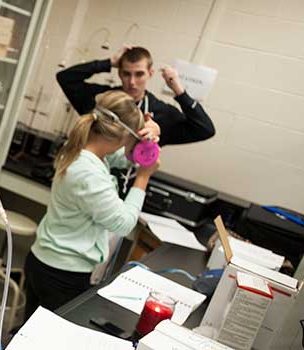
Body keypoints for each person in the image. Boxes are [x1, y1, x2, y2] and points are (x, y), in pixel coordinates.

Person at [23, 90, 160, 321]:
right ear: (122, 136)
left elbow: (120, 157)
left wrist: (147, 139)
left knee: (30, 335)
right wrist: (143, 178)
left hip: (45, 262)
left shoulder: (82, 149)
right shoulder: (88, 172)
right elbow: (123, 223)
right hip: (63, 274)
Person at [57, 46, 215, 146]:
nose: (132, 82)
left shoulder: (161, 112)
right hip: (88, 175)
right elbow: (65, 78)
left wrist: (179, 91)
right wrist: (108, 63)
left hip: (126, 186)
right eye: (126, 74)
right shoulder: (102, 99)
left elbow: (205, 130)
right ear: (119, 73)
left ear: (150, 74)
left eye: (139, 74)